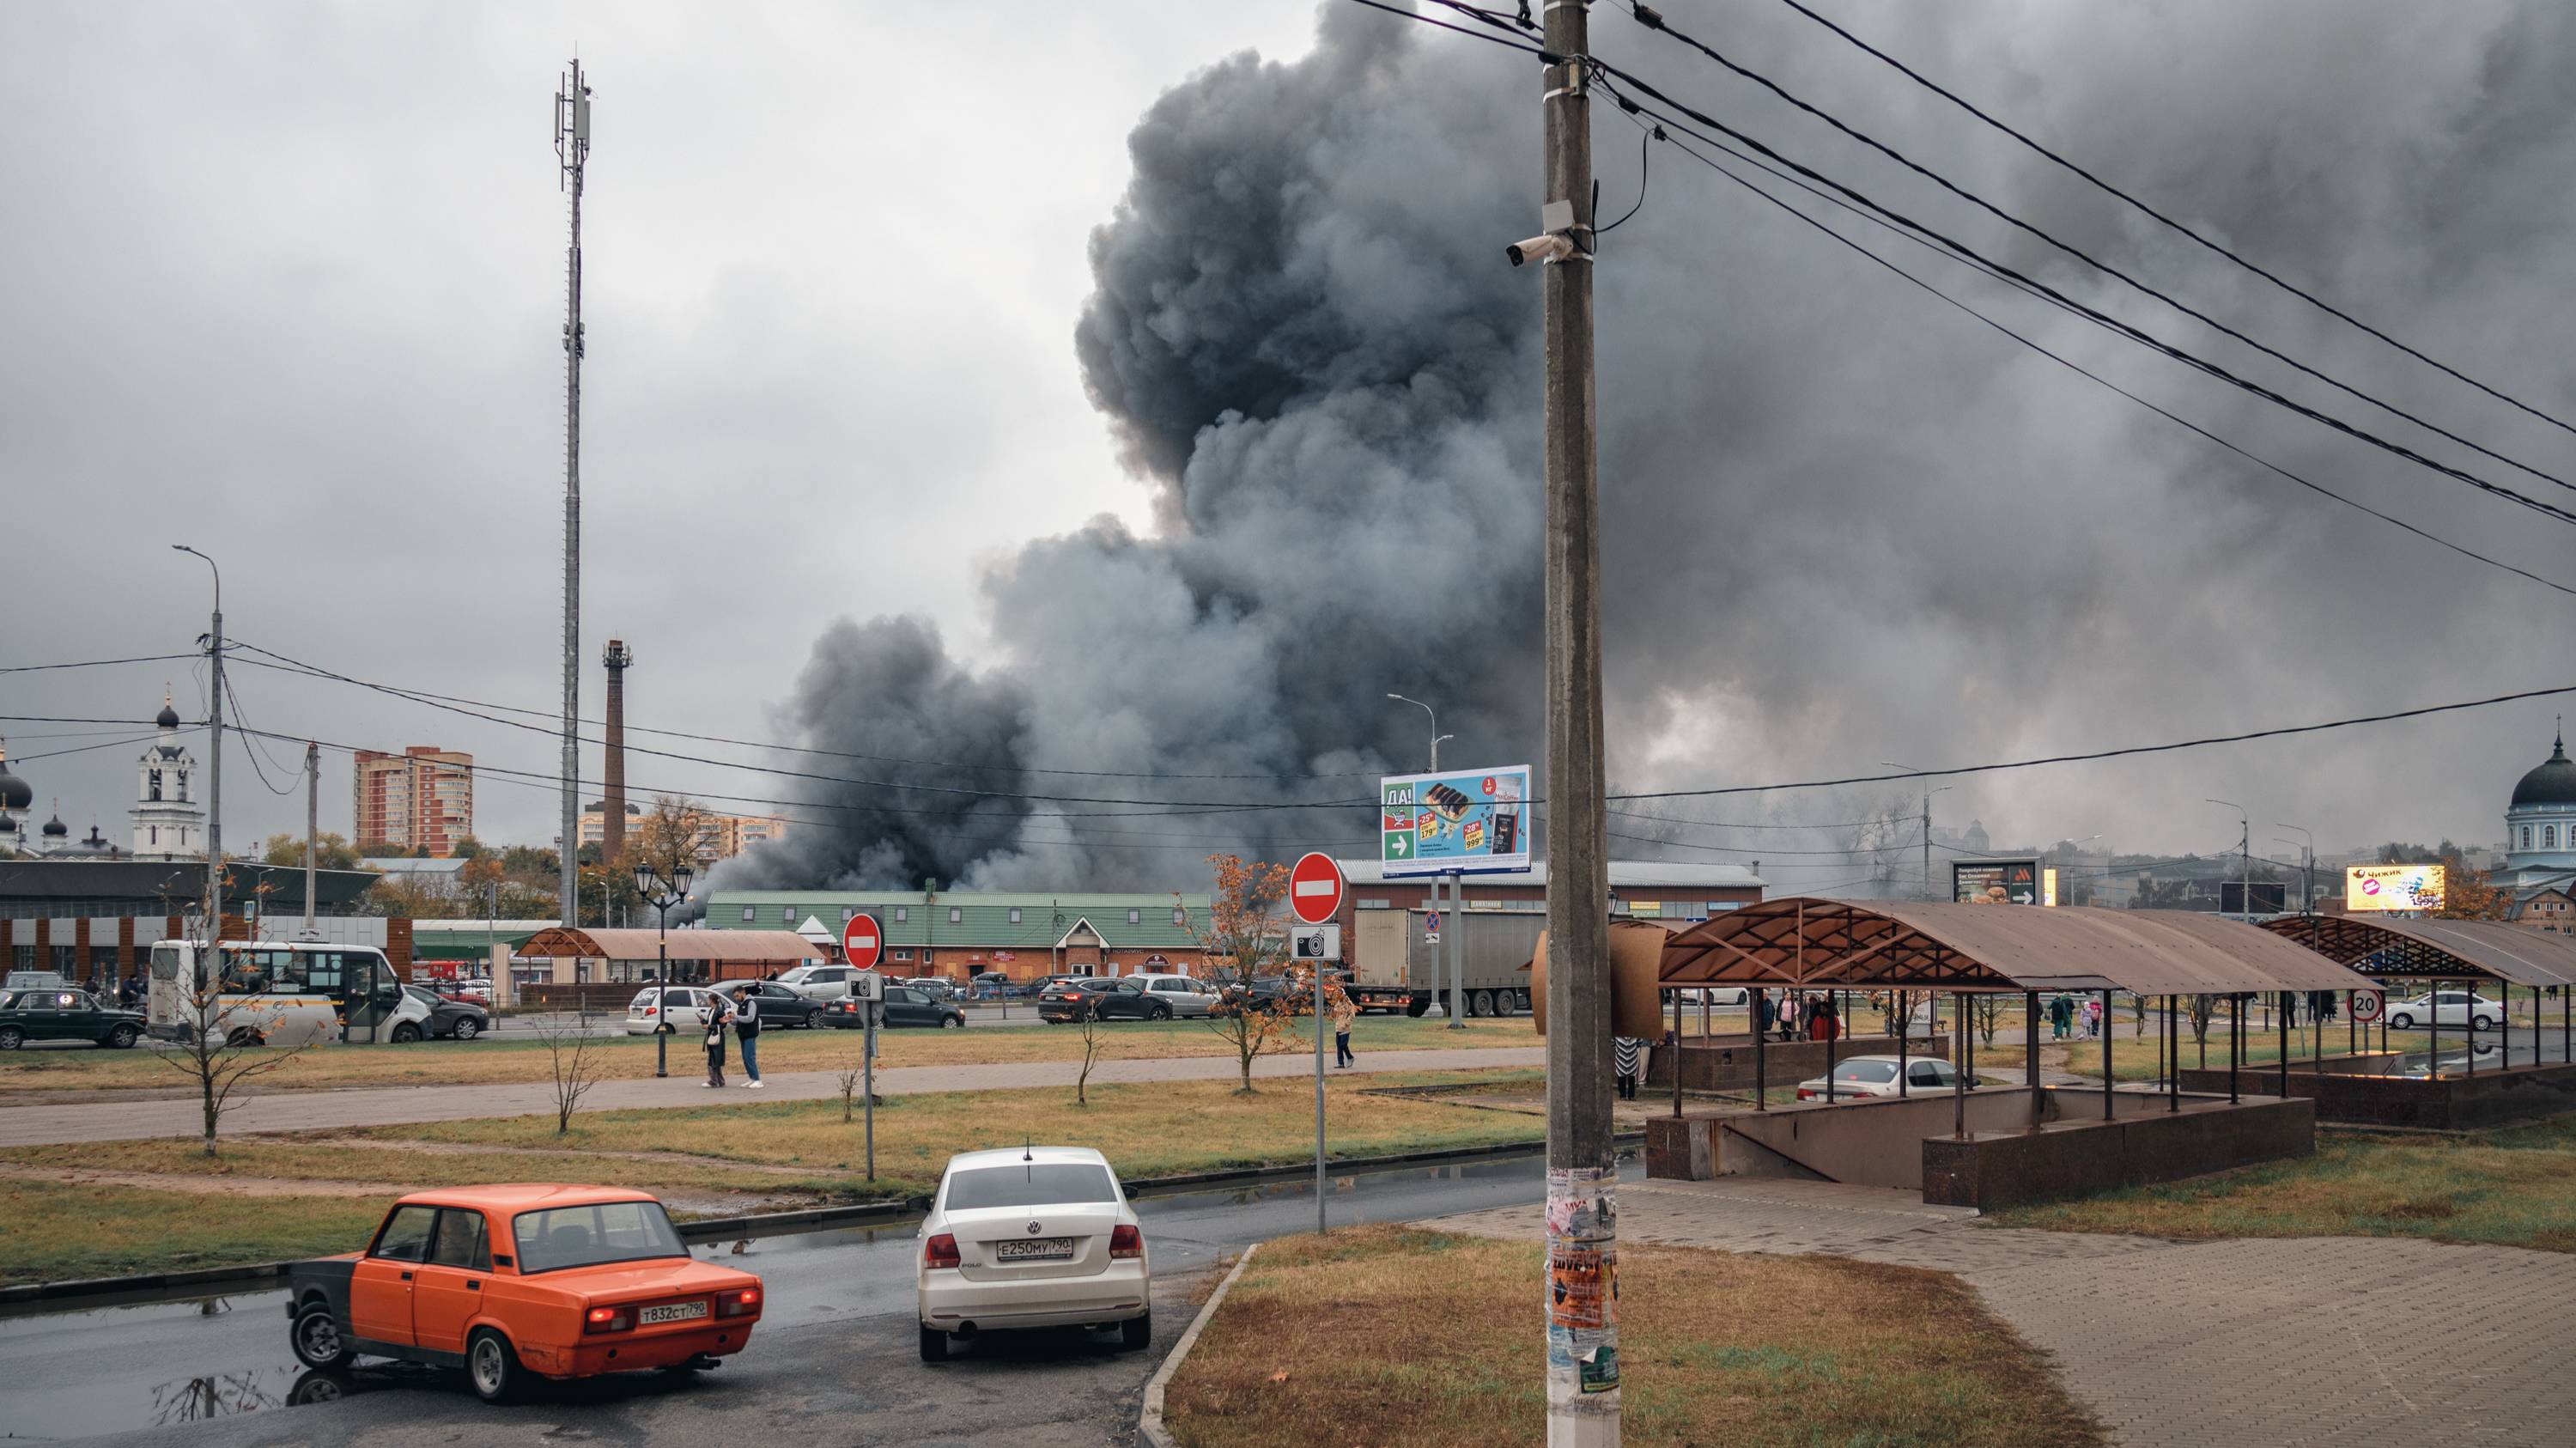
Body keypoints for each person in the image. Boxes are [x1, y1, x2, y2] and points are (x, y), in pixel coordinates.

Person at [734, 985, 765, 1089]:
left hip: (750, 1034)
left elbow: (750, 1018)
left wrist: (736, 1017)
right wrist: (729, 1020)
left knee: (749, 1058)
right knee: (745, 1058)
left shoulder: (751, 1003)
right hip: (742, 1034)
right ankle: (752, 1078)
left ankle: (757, 1080)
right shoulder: (741, 1004)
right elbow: (739, 1020)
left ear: (743, 993)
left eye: (737, 996)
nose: (736, 998)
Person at [702, 992, 732, 1089]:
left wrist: (710, 1026)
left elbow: (723, 1025)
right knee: (715, 1059)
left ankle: (713, 1081)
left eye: (708, 999)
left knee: (713, 1059)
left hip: (717, 1037)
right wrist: (704, 1022)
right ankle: (720, 1081)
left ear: (711, 1000)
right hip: (711, 1035)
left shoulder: (719, 1011)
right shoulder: (712, 1010)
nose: (707, 1001)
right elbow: (710, 1022)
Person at [1613, 1034, 1644, 1100]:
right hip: (1621, 1056)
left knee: (1632, 1077)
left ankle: (1631, 1095)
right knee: (1621, 1076)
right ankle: (1622, 1095)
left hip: (1632, 1057)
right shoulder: (1617, 1032)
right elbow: (1612, 1042)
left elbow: (1640, 1042)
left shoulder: (1635, 1032)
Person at [1333, 994, 1356, 1069]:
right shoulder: (1338, 1003)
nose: (1338, 996)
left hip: (1345, 1028)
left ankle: (1350, 1057)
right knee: (1339, 1046)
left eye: (1339, 995)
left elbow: (1352, 1015)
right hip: (1338, 1027)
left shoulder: (1348, 1003)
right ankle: (1340, 1063)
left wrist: (1346, 1023)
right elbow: (1335, 1011)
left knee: (1343, 1045)